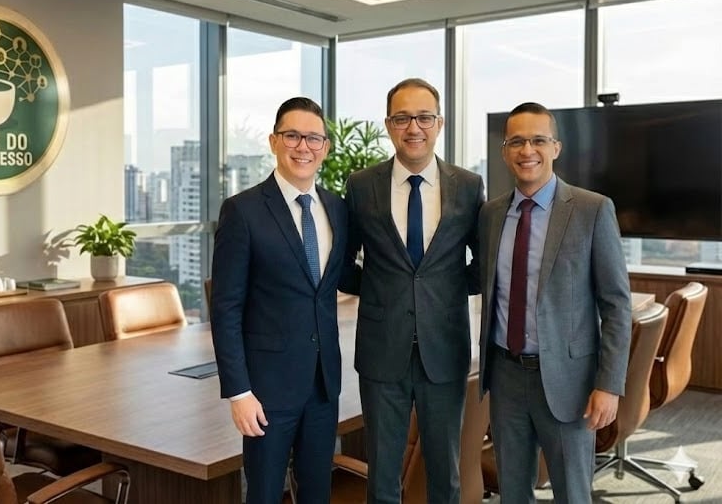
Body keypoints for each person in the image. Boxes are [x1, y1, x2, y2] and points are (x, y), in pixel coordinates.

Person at [478, 102, 631, 504]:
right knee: (513, 491)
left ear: (556, 147)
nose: (527, 149)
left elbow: (616, 304)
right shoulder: (492, 214)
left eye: (538, 140)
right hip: (505, 376)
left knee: (572, 493)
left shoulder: (592, 209)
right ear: (505, 150)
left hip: (570, 381)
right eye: (517, 141)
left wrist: (609, 385)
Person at [341, 78, 484, 504]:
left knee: (445, 473)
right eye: (402, 117)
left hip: (445, 347)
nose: (413, 127)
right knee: (382, 476)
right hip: (383, 349)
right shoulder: (361, 185)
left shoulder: (468, 185)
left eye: (424, 117)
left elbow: (485, 261)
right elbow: (343, 265)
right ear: (388, 124)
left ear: (439, 123)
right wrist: (384, 294)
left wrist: (444, 293)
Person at [210, 96, 347, 504]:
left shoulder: (337, 209)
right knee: (265, 495)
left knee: (317, 493)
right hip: (266, 392)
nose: (302, 146)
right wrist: (238, 392)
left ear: (325, 147)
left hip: (324, 385)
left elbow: (334, 282)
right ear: (273, 141)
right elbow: (226, 308)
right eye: (292, 136)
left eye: (313, 138)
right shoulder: (243, 211)